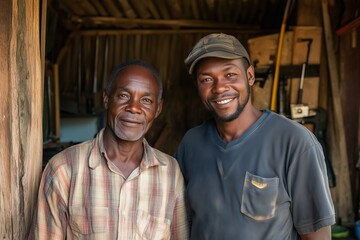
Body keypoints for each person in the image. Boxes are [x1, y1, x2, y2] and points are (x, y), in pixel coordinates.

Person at [175, 33, 335, 239]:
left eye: (230, 75)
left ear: (250, 76)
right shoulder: (191, 144)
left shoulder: (294, 142)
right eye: (206, 79)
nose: (219, 87)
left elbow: (317, 236)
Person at [30, 60, 189, 239]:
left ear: (157, 109)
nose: (134, 108)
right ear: (106, 99)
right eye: (123, 96)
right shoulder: (64, 168)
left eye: (146, 100)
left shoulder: (170, 173)